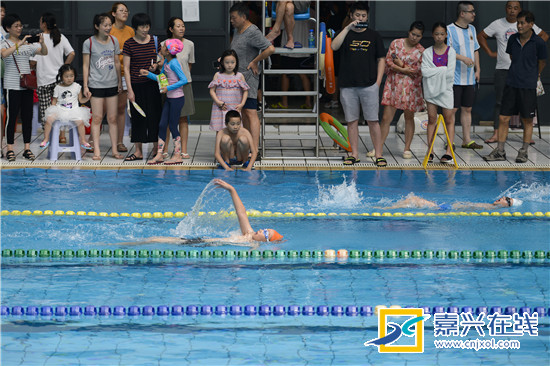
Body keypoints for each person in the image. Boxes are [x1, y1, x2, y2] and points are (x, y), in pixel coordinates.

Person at [107, 179, 284, 246]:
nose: (262, 230)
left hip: (199, 244)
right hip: (200, 242)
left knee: (156, 240)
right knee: (155, 239)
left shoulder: (252, 245)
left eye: (266, 233)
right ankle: (125, 244)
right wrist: (231, 189)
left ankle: (118, 245)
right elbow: (241, 213)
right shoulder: (249, 234)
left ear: (267, 242)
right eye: (265, 229)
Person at [477, 1, 548, 144]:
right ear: (505, 9)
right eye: (509, 7)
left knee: (525, 104)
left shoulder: (527, 23)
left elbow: (544, 36)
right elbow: (481, 36)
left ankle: (526, 137)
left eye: (516, 8)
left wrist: (531, 53)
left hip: (524, 72)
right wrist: (490, 53)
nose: (512, 10)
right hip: (503, 69)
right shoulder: (498, 24)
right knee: (499, 102)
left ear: (520, 10)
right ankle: (497, 134)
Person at [331, 2, 386, 166]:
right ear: (351, 15)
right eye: (357, 15)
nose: (360, 18)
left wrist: (377, 82)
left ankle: (378, 154)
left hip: (369, 84)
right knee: (352, 121)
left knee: (373, 121)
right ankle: (354, 154)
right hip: (348, 85)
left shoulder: (374, 35)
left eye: (363, 16)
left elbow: (381, 59)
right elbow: (334, 46)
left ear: (367, 16)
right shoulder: (345, 34)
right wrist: (348, 28)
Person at [1, 13, 48, 162]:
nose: (19, 28)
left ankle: (27, 148)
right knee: (11, 117)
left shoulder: (28, 45)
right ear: (8, 28)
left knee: (28, 116)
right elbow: (4, 55)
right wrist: (19, 44)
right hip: (11, 85)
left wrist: (42, 43)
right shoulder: (4, 43)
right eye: (16, 26)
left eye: (20, 25)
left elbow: (44, 52)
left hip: (27, 85)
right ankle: (9, 148)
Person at [229, 2, 275, 152]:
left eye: (234, 18)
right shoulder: (238, 30)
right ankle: (247, 146)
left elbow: (270, 48)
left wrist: (255, 61)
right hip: (237, 77)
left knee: (251, 112)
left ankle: (255, 149)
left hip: (249, 78)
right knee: (243, 112)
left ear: (243, 17)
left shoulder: (252, 31)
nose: (231, 21)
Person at [379, 21, 425, 160]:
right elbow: (389, 61)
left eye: (418, 36)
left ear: (421, 37)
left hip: (411, 88)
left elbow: (417, 71)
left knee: (409, 118)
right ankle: (378, 147)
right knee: (387, 118)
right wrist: (403, 69)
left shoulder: (421, 51)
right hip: (393, 85)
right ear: (408, 32)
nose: (414, 38)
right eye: (413, 34)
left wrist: (401, 65)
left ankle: (407, 148)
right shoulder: (396, 43)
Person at [82, 13, 123, 160]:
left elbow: (117, 62)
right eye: (105, 25)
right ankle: (97, 151)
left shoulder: (114, 41)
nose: (108, 28)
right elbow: (86, 65)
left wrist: (119, 81)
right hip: (96, 84)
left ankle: (114, 150)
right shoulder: (89, 43)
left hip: (112, 84)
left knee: (112, 118)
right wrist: (85, 86)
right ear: (97, 26)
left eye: (109, 25)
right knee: (97, 118)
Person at [122, 12, 162, 162]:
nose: (145, 29)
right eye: (142, 27)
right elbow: (126, 68)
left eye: (147, 26)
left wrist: (156, 65)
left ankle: (155, 149)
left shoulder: (155, 41)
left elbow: (162, 60)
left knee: (154, 116)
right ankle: (138, 151)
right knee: (138, 118)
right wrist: (129, 90)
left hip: (152, 84)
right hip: (136, 86)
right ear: (135, 28)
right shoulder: (129, 44)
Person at [141, 39, 188, 165]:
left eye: (163, 46)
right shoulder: (167, 61)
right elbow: (161, 78)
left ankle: (177, 155)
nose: (160, 47)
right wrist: (148, 74)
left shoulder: (174, 63)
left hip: (177, 99)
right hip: (169, 99)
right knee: (162, 125)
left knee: (173, 126)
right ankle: (160, 154)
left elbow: (184, 80)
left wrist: (168, 88)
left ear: (168, 51)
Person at [31, 13, 75, 144]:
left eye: (40, 21)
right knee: (61, 108)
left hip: (43, 79)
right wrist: (64, 68)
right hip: (59, 80)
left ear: (44, 24)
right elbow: (72, 53)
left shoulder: (39, 38)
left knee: (46, 111)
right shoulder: (60, 37)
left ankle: (48, 137)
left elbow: (33, 62)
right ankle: (62, 135)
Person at [447, 1, 483, 150]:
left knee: (467, 108)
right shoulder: (449, 29)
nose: (474, 14)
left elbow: (475, 50)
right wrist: (463, 58)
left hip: (469, 77)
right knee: (453, 109)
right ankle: (450, 140)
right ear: (462, 13)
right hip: (454, 77)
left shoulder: (472, 29)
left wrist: (478, 69)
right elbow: (446, 51)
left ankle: (466, 140)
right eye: (471, 11)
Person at [421, 22, 457, 164]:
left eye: (442, 34)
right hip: (431, 90)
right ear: (432, 35)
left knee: (449, 120)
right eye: (437, 34)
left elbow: (450, 74)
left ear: (446, 35)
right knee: (431, 119)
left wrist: (436, 71)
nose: (439, 37)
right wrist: (442, 69)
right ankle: (430, 150)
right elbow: (424, 71)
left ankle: (448, 151)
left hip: (446, 90)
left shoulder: (451, 52)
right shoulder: (427, 52)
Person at [163, 17, 195, 159]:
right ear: (171, 29)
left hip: (184, 84)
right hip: (168, 86)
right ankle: (164, 149)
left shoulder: (189, 44)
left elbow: (189, 64)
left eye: (183, 26)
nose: (181, 28)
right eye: (178, 26)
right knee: (168, 118)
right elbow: (162, 66)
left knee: (183, 118)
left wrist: (181, 80)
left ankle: (183, 150)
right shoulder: (164, 44)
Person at [39, 64, 91, 150]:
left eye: (71, 76)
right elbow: (54, 101)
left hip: (73, 110)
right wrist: (52, 110)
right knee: (49, 120)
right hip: (60, 109)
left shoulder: (77, 86)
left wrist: (88, 98)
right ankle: (46, 139)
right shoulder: (58, 87)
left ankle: (83, 140)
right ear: (61, 77)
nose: (69, 78)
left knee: (80, 122)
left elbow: (81, 100)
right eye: (66, 76)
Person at [270, 18, 313, 110]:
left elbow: (278, 28)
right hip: (304, 48)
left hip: (288, 49)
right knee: (303, 75)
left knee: (285, 75)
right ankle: (308, 102)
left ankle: (284, 103)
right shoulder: (311, 13)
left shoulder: (286, 13)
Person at [110, 2, 134, 153]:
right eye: (121, 10)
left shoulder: (130, 31)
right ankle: (92, 140)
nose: (125, 13)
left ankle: (119, 141)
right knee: (104, 108)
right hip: (109, 73)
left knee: (121, 108)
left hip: (125, 73)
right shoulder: (108, 29)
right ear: (114, 14)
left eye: (126, 11)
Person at [209, 49, 249, 131]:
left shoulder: (239, 76)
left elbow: (245, 91)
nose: (230, 65)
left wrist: (242, 104)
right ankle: (219, 144)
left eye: (232, 62)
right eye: (227, 62)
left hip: (235, 107)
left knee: (235, 130)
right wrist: (218, 102)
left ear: (236, 63)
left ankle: (233, 144)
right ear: (222, 63)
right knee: (220, 130)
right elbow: (212, 90)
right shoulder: (218, 75)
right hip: (220, 107)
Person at [380, 193, 522, 211]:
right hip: (446, 207)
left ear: (508, 206)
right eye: (505, 197)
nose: (503, 198)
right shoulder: (490, 206)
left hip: (446, 209)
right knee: (412, 199)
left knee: (413, 199)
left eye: (507, 200)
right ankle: (387, 208)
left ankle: (385, 209)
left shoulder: (492, 209)